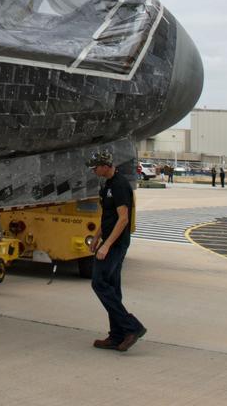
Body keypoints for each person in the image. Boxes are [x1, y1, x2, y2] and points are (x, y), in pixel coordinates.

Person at [86, 150, 146, 353]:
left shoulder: (120, 185)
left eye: (95, 167)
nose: (93, 170)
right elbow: (108, 216)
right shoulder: (108, 185)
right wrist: (96, 238)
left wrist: (106, 245)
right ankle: (117, 336)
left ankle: (132, 327)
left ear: (105, 165)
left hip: (117, 244)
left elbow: (123, 219)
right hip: (109, 240)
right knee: (112, 288)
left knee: (99, 283)